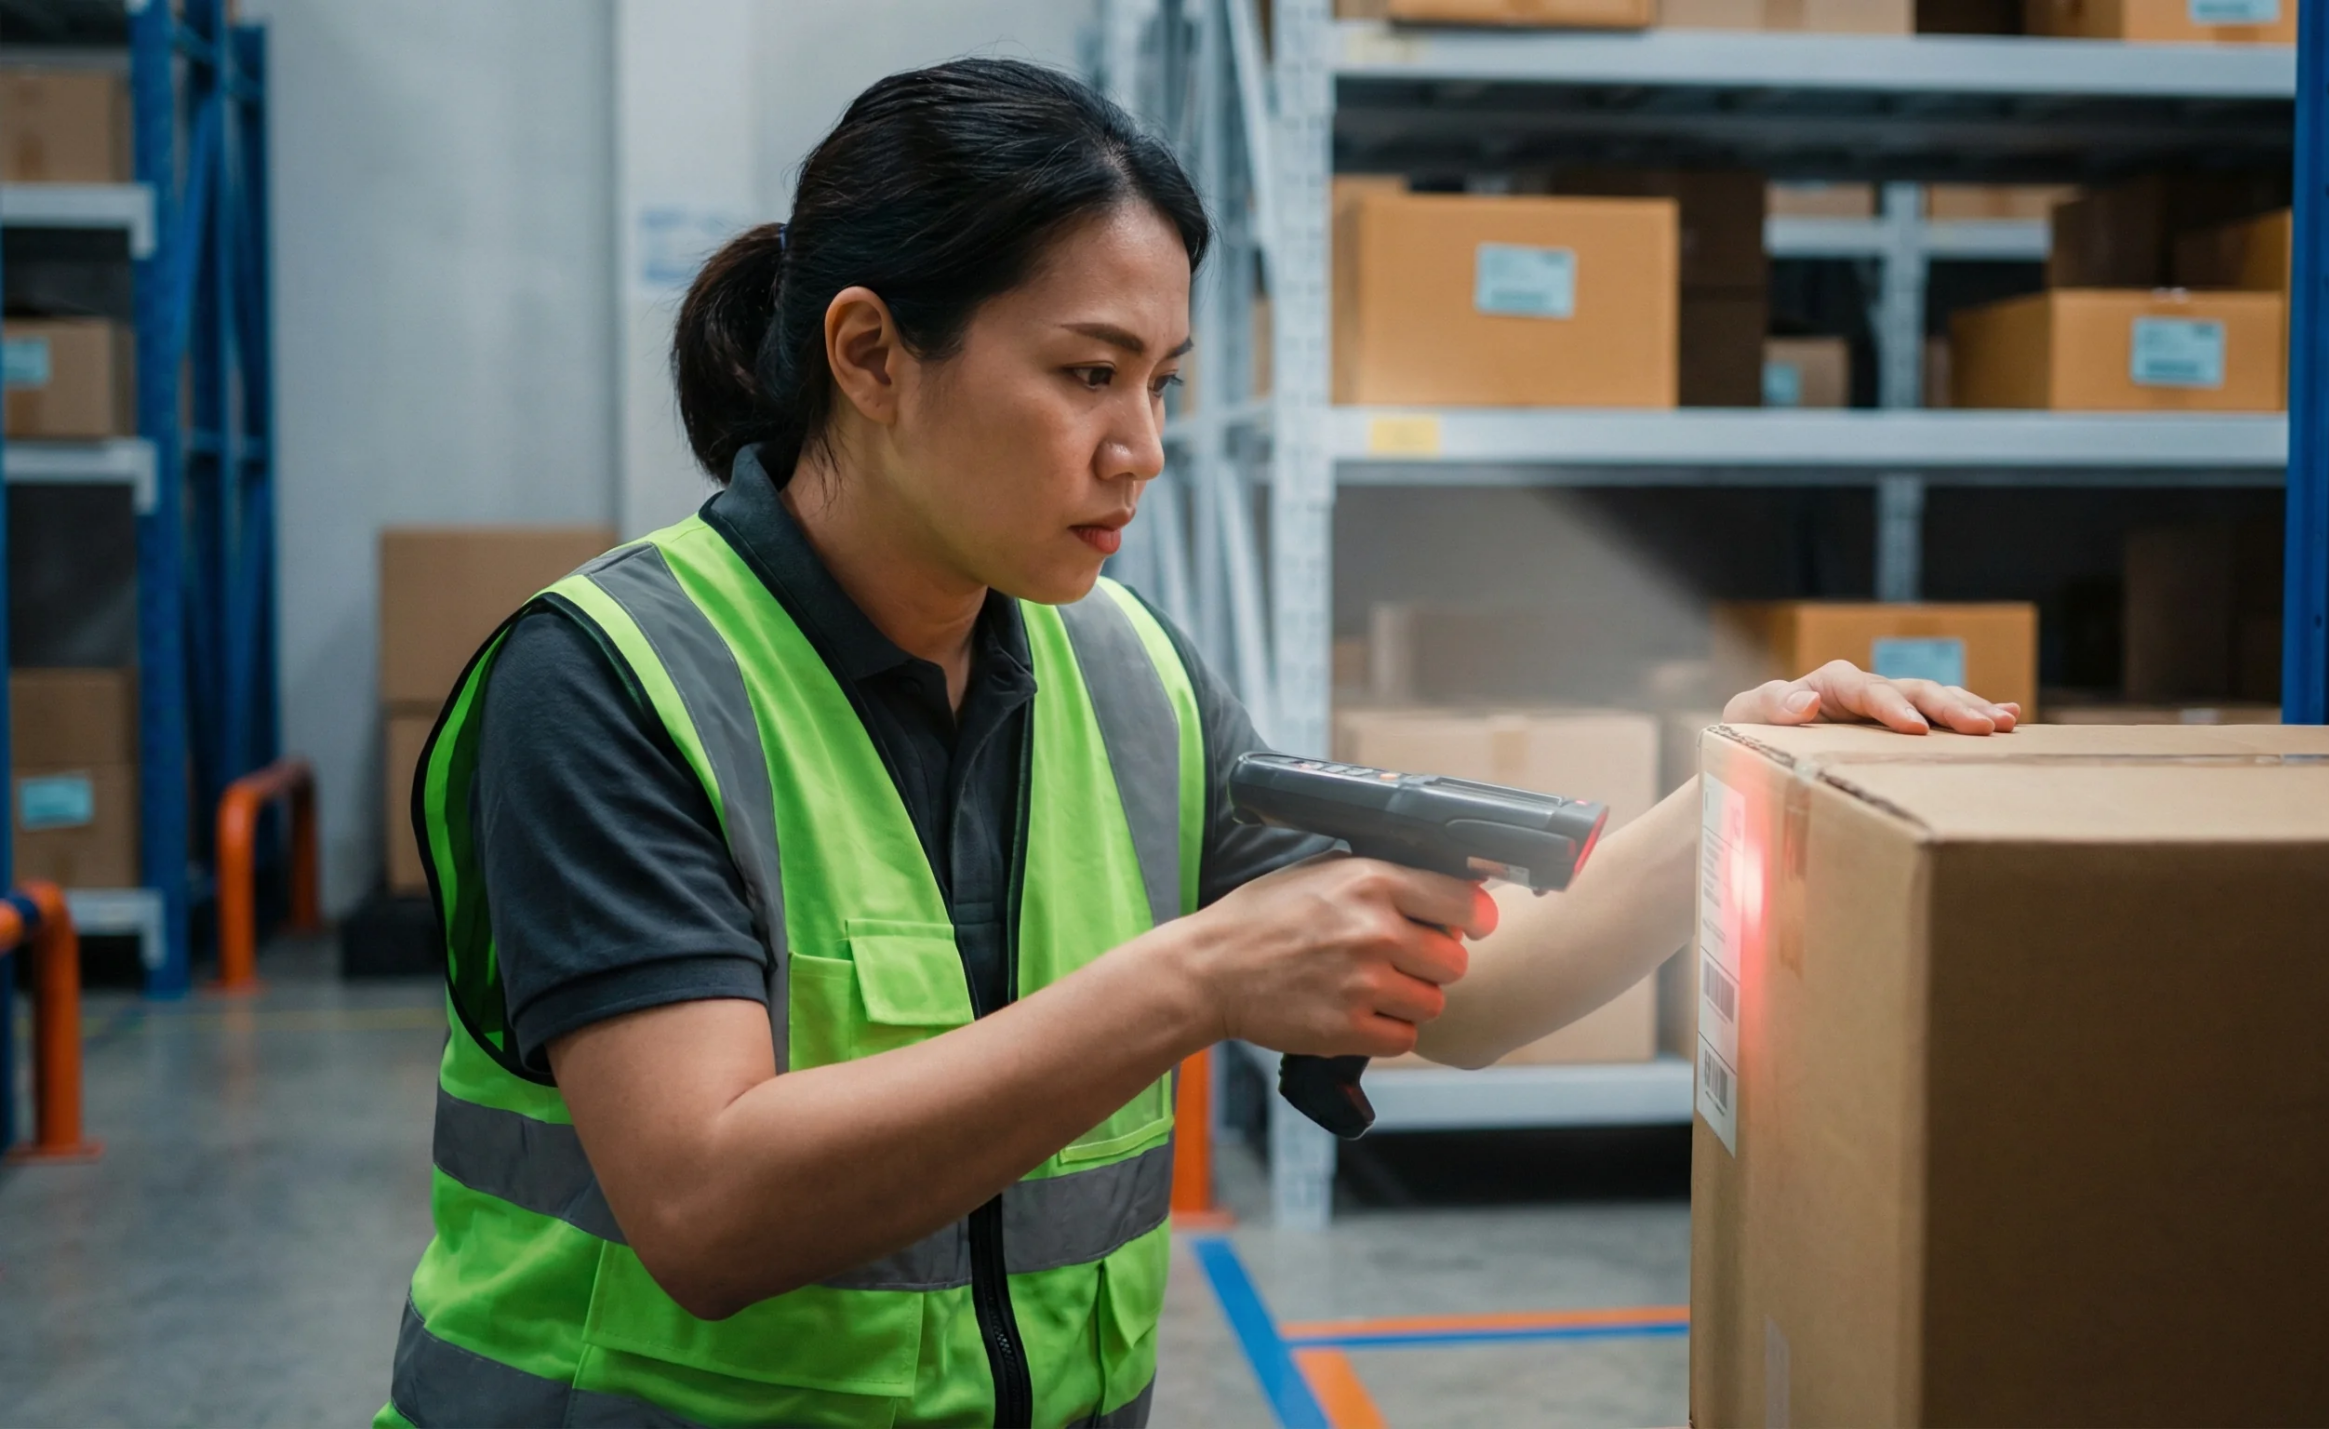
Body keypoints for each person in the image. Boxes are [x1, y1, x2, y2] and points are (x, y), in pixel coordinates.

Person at [378, 57, 2017, 1429]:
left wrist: (1740, 779)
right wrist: (1196, 980)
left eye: (1162, 381)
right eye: (1086, 375)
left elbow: (1470, 1000)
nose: (1142, 449)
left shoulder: (1119, 672)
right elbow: (708, 1207)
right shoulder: (604, 685)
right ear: (870, 355)